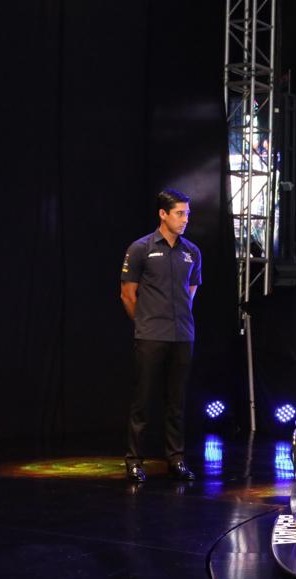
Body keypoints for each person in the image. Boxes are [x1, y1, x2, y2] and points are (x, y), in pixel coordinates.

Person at [119, 189, 201, 483]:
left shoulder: (191, 251)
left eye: (187, 213)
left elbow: (191, 291)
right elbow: (128, 294)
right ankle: (134, 460)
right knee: (143, 400)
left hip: (182, 335)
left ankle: (175, 458)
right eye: (179, 213)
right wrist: (145, 322)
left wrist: (179, 319)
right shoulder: (141, 248)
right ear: (163, 214)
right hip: (151, 335)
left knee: (176, 401)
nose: (185, 219)